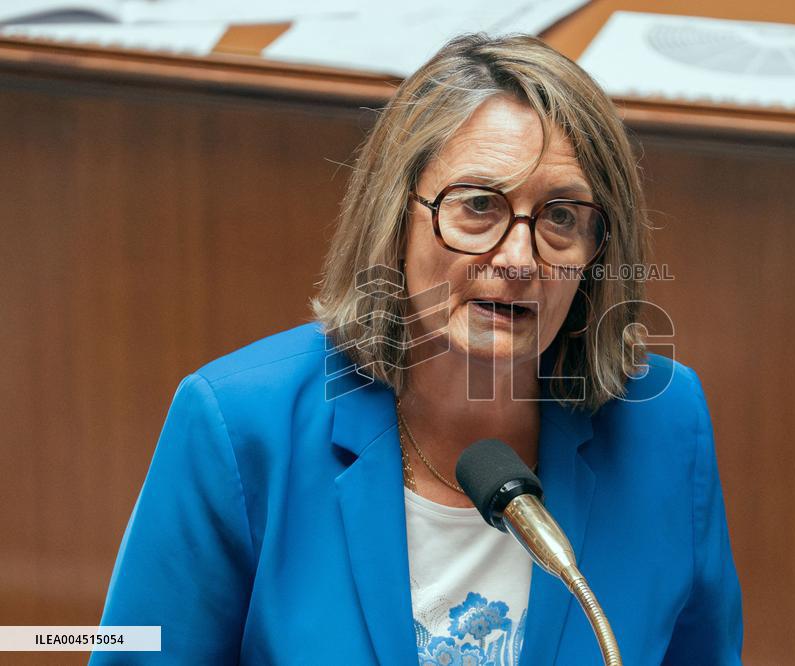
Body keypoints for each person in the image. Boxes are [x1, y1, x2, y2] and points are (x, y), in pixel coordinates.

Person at [92, 33, 743, 665]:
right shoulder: (240, 429)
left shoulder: (665, 423)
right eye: (479, 206)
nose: (519, 260)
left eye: (562, 218)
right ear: (395, 218)